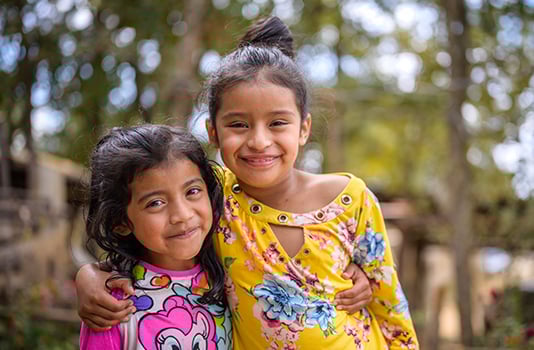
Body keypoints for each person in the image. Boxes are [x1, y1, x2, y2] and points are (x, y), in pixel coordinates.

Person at [77, 16, 418, 349]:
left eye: (278, 123)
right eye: (239, 125)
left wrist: (365, 283)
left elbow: (391, 307)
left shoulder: (350, 200)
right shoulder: (212, 197)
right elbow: (156, 237)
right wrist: (89, 275)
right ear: (213, 131)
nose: (258, 141)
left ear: (304, 128)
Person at [79, 125, 232, 349]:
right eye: (156, 203)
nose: (182, 215)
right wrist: (89, 274)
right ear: (120, 223)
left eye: (192, 191)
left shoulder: (230, 269)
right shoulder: (110, 306)